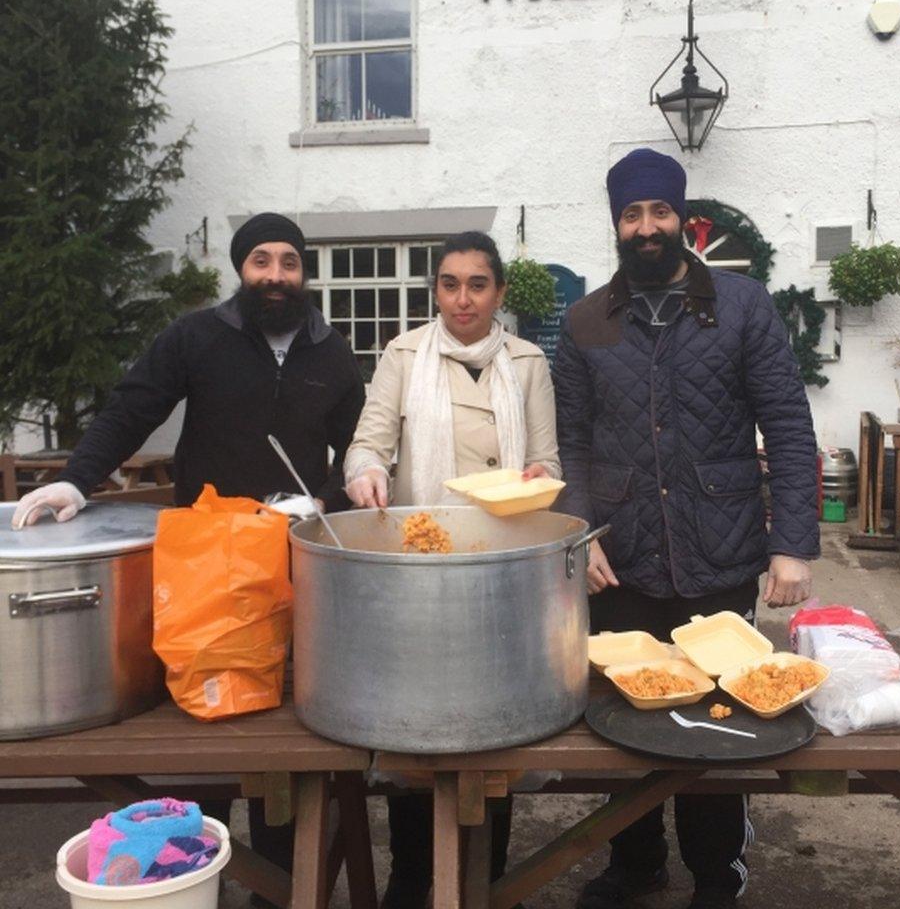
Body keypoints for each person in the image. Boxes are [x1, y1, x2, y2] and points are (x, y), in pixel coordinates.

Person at [13, 211, 366, 895]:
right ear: (242, 269)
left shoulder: (332, 350)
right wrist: (75, 478)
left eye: (287, 262)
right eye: (260, 260)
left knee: (282, 727)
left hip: (289, 558)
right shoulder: (196, 336)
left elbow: (361, 444)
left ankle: (279, 879)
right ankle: (192, 871)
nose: (275, 275)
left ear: (303, 273)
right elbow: (132, 408)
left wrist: (325, 502)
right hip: (203, 561)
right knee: (206, 730)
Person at [553, 149, 819, 909]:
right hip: (622, 555)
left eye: (658, 212)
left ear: (682, 218)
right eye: (631, 216)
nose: (646, 228)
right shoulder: (586, 321)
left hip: (722, 544)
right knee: (621, 712)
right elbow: (572, 439)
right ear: (616, 225)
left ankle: (715, 872)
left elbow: (789, 428)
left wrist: (792, 542)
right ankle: (634, 863)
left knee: (718, 718)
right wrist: (583, 531)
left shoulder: (741, 306)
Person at [343, 229, 561, 909]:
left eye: (477, 284)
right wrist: (368, 473)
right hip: (423, 568)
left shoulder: (527, 362)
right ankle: (411, 881)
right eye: (448, 283)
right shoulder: (404, 353)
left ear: (498, 292)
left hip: (502, 572)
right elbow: (368, 442)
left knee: (494, 730)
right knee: (415, 730)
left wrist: (534, 477)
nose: (461, 298)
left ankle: (487, 881)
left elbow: (550, 465)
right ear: (434, 290)